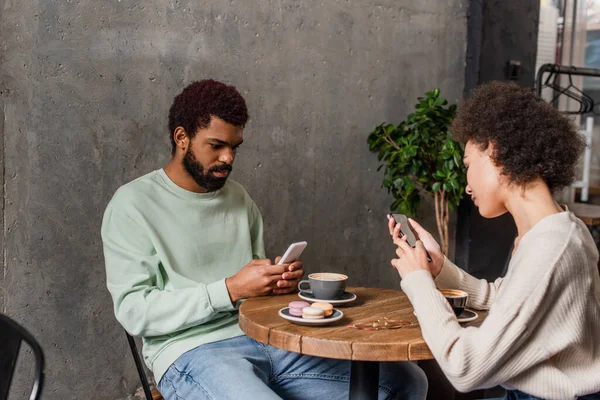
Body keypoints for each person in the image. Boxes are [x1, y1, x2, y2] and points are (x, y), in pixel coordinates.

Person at [102, 79, 427, 399]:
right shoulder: (133, 205)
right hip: (191, 352)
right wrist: (231, 289)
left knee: (407, 381)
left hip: (265, 337)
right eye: (217, 146)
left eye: (234, 147)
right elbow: (134, 311)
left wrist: (272, 284)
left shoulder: (239, 199)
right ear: (182, 137)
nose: (228, 158)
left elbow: (251, 296)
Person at [388, 81, 600, 400]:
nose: (467, 186)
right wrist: (439, 268)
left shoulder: (551, 248)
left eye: (469, 166)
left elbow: (466, 368)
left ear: (496, 152)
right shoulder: (557, 231)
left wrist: (418, 282)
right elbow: (505, 300)